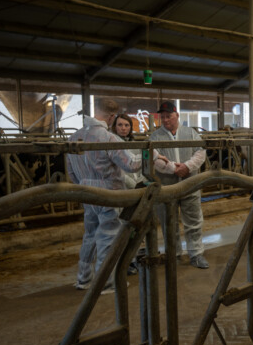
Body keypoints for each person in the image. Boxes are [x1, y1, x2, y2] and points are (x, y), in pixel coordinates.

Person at [68, 100, 168, 293]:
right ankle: (105, 283)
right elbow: (130, 164)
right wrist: (153, 156)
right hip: (109, 193)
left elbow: (71, 172)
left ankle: (83, 279)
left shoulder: (75, 137)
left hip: (86, 192)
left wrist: (84, 184)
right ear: (111, 117)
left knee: (89, 235)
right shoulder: (108, 139)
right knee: (107, 236)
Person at [150, 100, 209, 269]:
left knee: (194, 220)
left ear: (177, 115)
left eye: (169, 116)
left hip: (190, 183)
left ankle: (196, 253)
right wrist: (172, 168)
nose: (166, 120)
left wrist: (187, 166)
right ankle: (173, 254)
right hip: (167, 186)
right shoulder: (155, 136)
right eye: (163, 117)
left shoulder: (190, 133)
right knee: (169, 221)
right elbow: (154, 158)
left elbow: (200, 152)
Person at [112, 113, 144, 275]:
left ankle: (133, 260)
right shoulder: (111, 144)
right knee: (120, 227)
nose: (123, 128)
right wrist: (132, 185)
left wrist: (139, 184)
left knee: (135, 226)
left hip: (136, 191)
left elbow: (141, 165)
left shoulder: (136, 144)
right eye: (120, 125)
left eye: (126, 125)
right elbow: (117, 170)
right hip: (120, 191)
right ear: (114, 127)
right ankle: (121, 263)